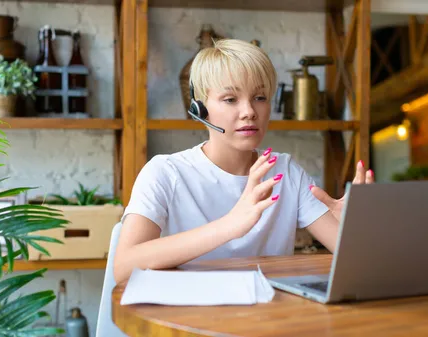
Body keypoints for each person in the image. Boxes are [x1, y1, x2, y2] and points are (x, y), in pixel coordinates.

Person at [113, 38, 373, 283]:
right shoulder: (165, 172)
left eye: (260, 98)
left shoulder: (285, 172)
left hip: (266, 320)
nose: (249, 112)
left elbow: (362, 261)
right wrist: (229, 225)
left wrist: (358, 225)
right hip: (191, 320)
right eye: (230, 99)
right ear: (199, 108)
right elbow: (124, 267)